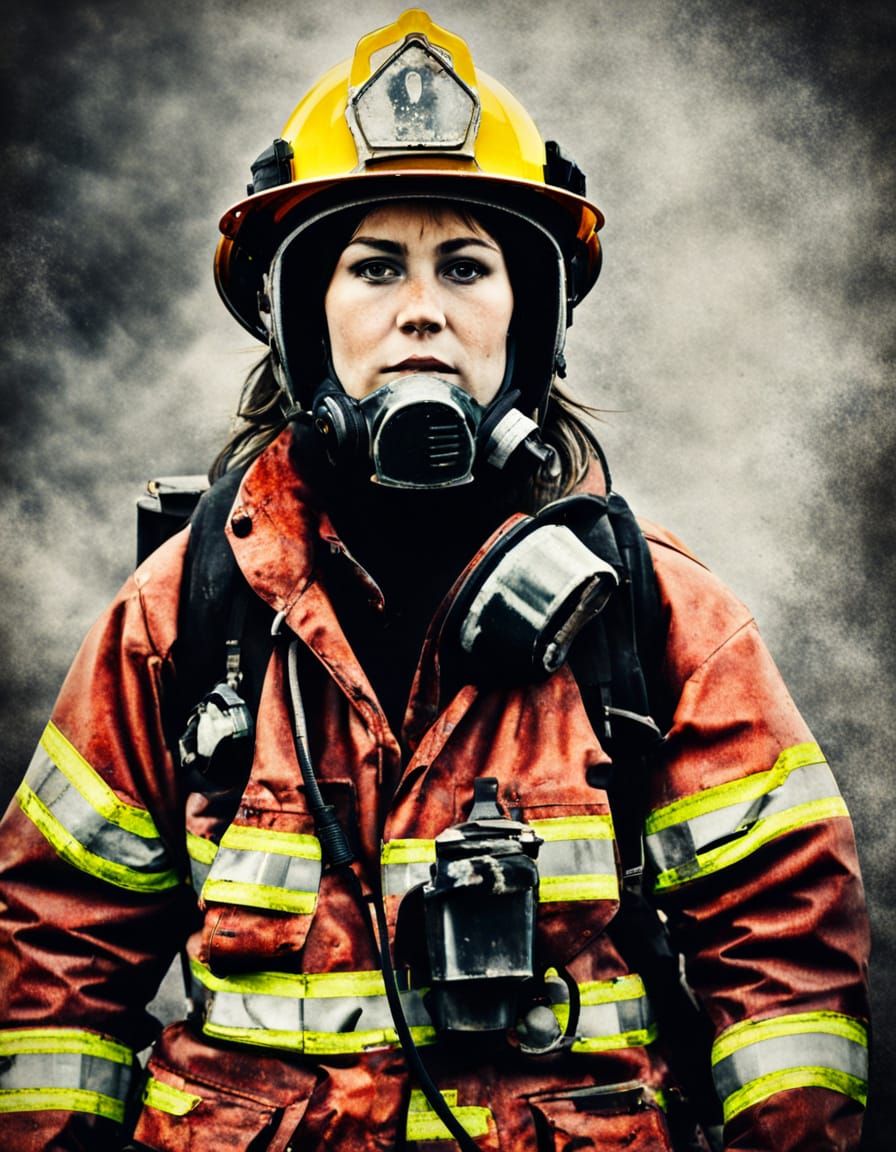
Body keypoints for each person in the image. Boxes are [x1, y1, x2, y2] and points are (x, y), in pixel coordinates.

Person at [0, 10, 870, 1151]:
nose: (421, 308)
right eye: (373, 267)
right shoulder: (183, 615)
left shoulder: (657, 622)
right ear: (299, 318)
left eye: (466, 264)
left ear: (532, 320)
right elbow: (56, 966)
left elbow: (787, 982)